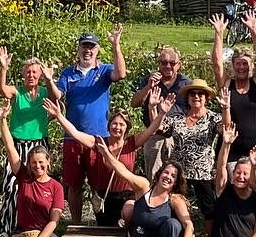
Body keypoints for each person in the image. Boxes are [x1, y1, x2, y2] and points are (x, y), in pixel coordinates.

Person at [41, 91, 165, 228]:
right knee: (108, 229)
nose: (117, 127)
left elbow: (152, 129)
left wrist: (160, 112)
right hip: (105, 197)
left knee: (128, 213)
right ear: (109, 126)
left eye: (121, 124)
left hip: (126, 196)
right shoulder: (99, 142)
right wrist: (59, 116)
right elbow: (75, 134)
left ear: (127, 127)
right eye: (114, 124)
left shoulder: (132, 142)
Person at [55, 25, 127, 222]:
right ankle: (76, 224)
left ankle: (102, 223)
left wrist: (116, 45)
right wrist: (49, 80)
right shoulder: (68, 73)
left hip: (99, 138)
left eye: (91, 47)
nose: (87, 50)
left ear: (97, 50)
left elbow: (121, 74)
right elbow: (57, 94)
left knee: (99, 184)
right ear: (78, 49)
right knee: (74, 185)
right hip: (72, 138)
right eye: (84, 46)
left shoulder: (104, 70)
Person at [0, 47, 62, 234]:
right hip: (17, 145)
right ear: (23, 74)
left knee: (36, 188)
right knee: (12, 187)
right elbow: (2, 90)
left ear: (40, 74)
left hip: (38, 146)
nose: (31, 75)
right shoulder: (17, 92)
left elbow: (57, 97)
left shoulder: (44, 91)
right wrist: (3, 68)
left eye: (34, 72)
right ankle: (7, 228)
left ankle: (38, 227)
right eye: (28, 72)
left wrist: (49, 79)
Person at [0, 103, 66, 237]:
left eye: (41, 162)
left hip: (44, 235)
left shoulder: (56, 187)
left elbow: (54, 220)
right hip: (22, 234)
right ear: (29, 163)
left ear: (48, 162)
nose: (37, 166)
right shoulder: (24, 176)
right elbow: (10, 147)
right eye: (34, 162)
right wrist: (2, 119)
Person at [159, 79, 223, 222]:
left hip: (203, 172)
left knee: (209, 210)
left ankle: (208, 236)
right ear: (187, 97)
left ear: (206, 98)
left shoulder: (213, 118)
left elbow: (225, 130)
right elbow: (159, 128)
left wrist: (226, 109)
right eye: (192, 93)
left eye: (200, 94)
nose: (196, 96)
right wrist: (156, 109)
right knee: (175, 208)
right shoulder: (177, 118)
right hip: (179, 172)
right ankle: (179, 234)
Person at [208, 12, 256, 156]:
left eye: (245, 63)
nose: (241, 67)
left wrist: (254, 29)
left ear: (251, 65)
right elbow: (217, 64)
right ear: (233, 65)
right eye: (238, 64)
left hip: (255, 147)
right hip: (230, 146)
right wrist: (219, 33)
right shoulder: (227, 84)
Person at [130, 43, 189, 179]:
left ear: (179, 65)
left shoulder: (186, 83)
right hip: (154, 137)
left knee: (176, 178)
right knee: (153, 177)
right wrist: (148, 87)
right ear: (158, 64)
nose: (168, 66)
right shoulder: (149, 80)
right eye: (164, 63)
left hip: (177, 137)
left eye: (172, 63)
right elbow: (134, 103)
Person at [209, 126, 256, 237]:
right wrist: (226, 144)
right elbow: (221, 166)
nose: (241, 177)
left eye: (245, 174)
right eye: (238, 173)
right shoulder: (224, 190)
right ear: (233, 174)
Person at [122, 161, 198, 237]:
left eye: (173, 176)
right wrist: (108, 155)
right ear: (159, 174)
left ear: (175, 183)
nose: (168, 177)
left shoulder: (175, 199)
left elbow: (188, 224)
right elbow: (124, 172)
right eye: (166, 172)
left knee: (173, 223)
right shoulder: (144, 191)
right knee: (128, 207)